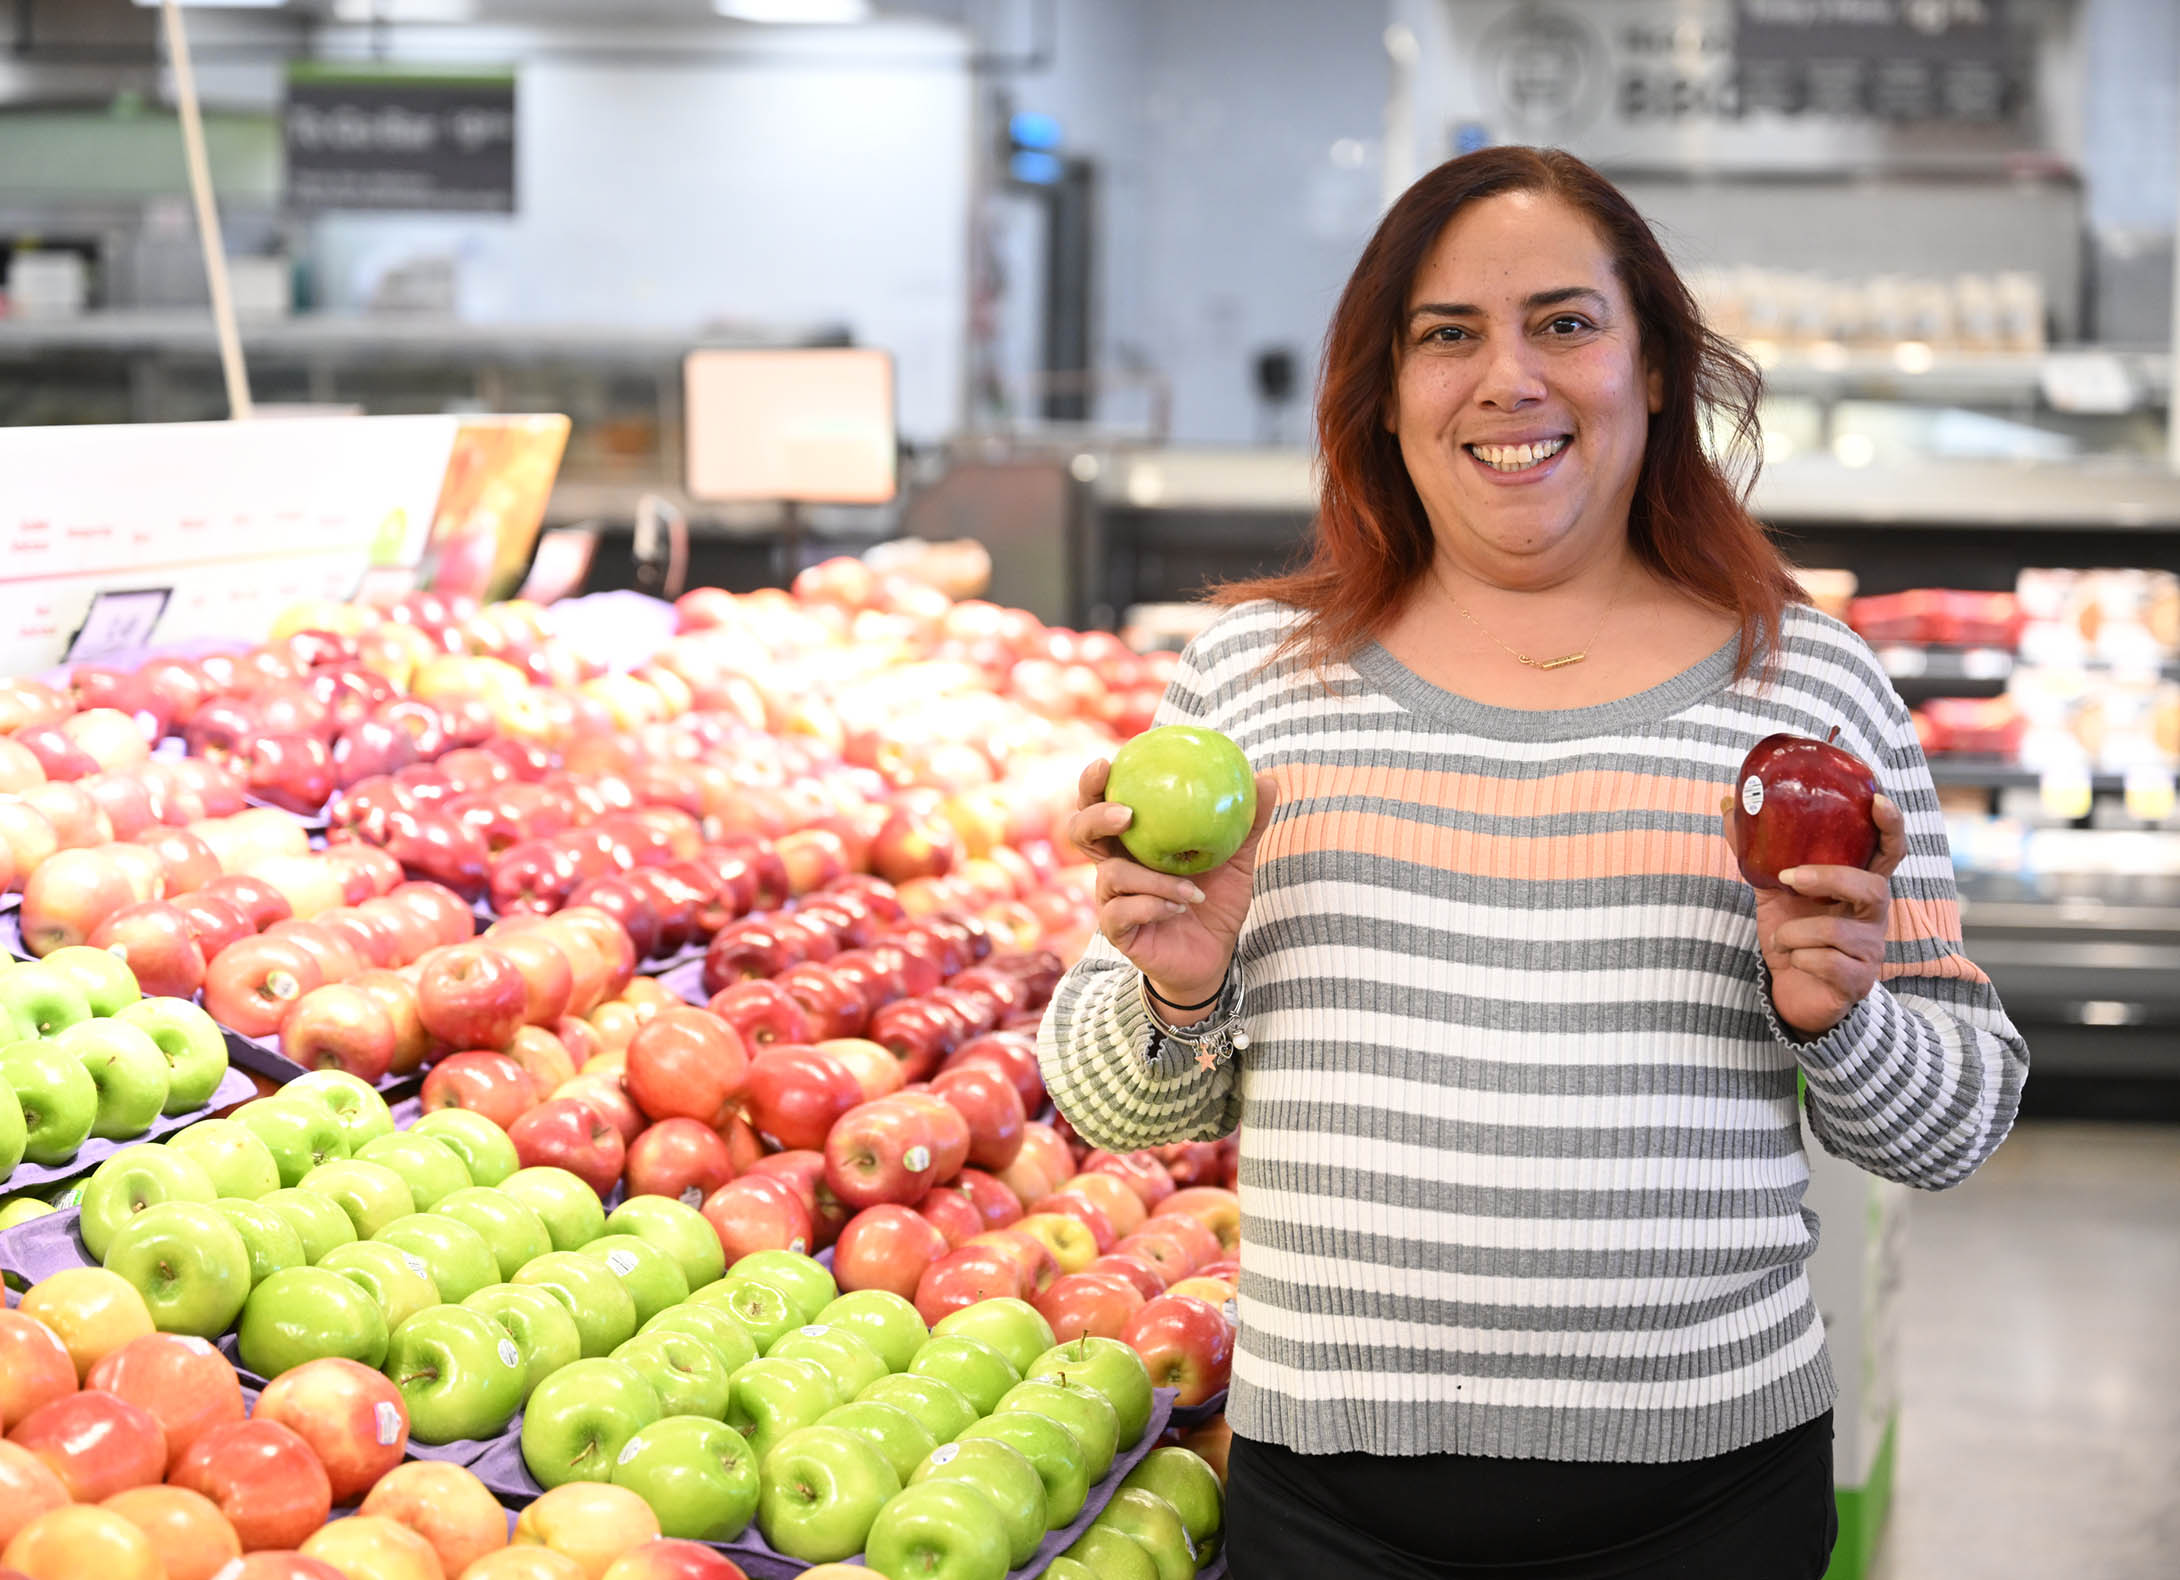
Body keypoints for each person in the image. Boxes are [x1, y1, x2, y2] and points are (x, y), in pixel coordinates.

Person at [1038, 146, 2028, 1580]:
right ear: (1386, 393)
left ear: (1657, 370)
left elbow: (1963, 1118)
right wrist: (1181, 995)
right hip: (1332, 1504)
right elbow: (1105, 1101)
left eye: (1565, 323)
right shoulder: (1252, 682)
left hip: (1708, 1502)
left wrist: (1849, 1020)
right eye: (1449, 335)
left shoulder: (1805, 688)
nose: (1509, 379)